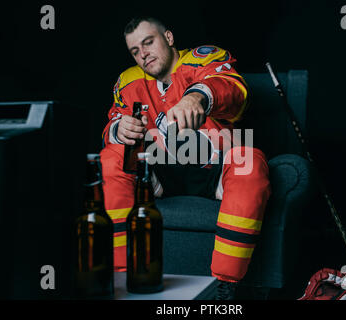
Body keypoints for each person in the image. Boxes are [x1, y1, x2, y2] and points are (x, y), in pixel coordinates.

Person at [100, 16, 271, 299]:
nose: (143, 54)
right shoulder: (128, 81)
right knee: (112, 157)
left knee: (249, 161)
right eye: (135, 50)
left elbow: (232, 89)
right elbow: (112, 122)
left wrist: (197, 97)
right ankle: (119, 279)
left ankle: (225, 285)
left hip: (214, 167)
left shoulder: (203, 59)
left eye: (148, 42)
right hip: (158, 174)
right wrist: (120, 129)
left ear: (168, 37)